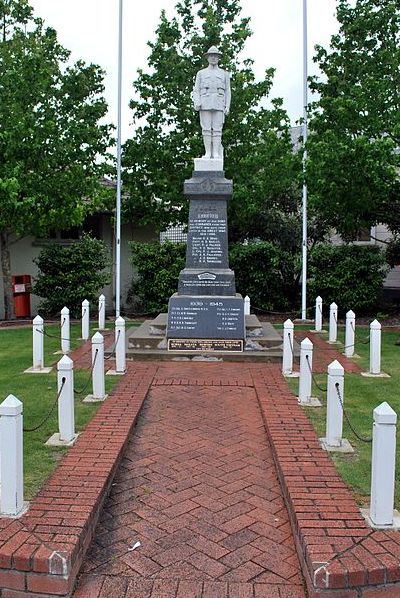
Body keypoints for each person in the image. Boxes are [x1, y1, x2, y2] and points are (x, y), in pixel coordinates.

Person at [192, 46, 231, 160]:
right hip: (205, 103)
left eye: (216, 56)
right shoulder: (201, 73)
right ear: (207, 58)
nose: (213, 58)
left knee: (217, 129)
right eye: (211, 56)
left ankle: (216, 153)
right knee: (206, 129)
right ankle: (208, 153)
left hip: (219, 103)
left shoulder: (224, 74)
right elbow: (196, 90)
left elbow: (228, 91)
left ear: (219, 58)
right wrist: (197, 102)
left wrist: (227, 105)